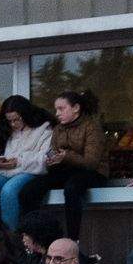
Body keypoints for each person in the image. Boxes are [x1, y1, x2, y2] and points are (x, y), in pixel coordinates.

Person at [38, 89, 109, 241]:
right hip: (66, 170)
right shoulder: (58, 129)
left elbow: (91, 162)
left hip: (93, 173)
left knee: (72, 188)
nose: (57, 113)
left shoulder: (91, 127)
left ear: (76, 108)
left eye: (61, 109)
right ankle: (35, 238)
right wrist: (51, 161)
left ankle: (72, 240)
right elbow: (53, 152)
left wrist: (66, 157)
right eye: (56, 109)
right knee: (31, 188)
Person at [0, 95, 53, 229]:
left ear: (26, 114)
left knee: (8, 191)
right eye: (9, 121)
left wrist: (18, 161)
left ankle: (10, 237)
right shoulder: (5, 131)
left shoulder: (44, 130)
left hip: (27, 170)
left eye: (17, 119)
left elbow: (45, 158)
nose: (13, 124)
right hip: (2, 172)